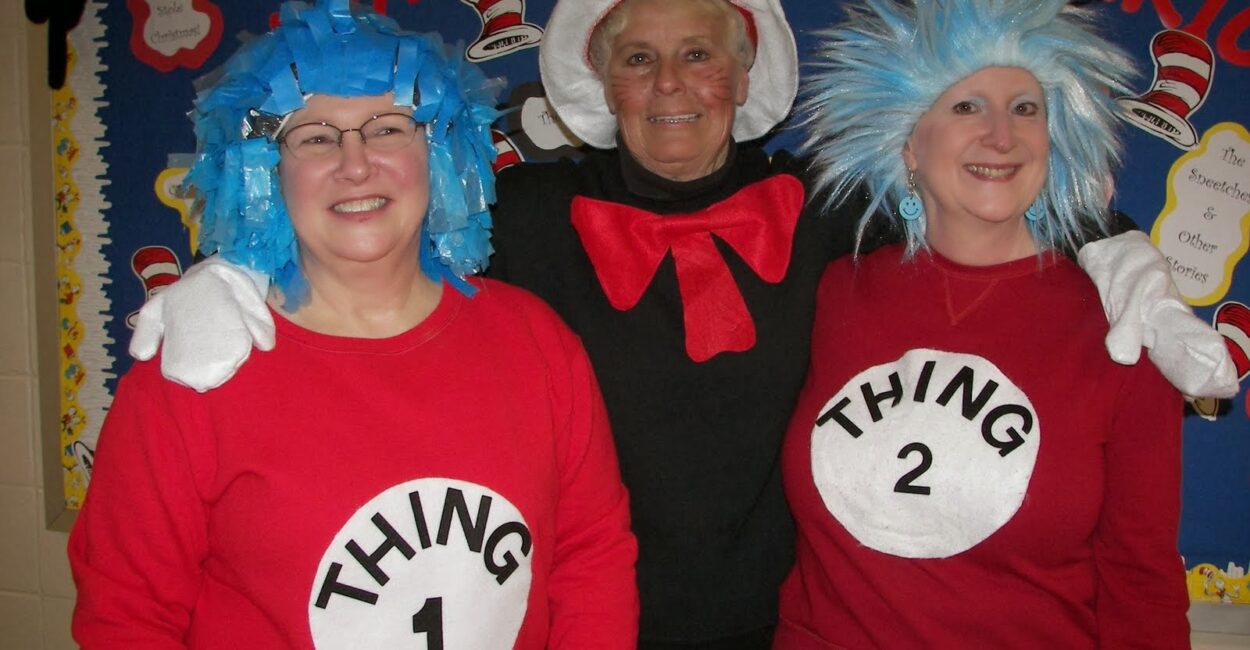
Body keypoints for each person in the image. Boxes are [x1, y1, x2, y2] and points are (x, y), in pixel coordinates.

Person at [125, 0, 1236, 647]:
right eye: (637, 57)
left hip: (788, 630)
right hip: (579, 626)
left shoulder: (824, 207)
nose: (670, 84)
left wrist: (1118, 249)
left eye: (698, 52)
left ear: (743, 74)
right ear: (601, 84)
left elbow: (982, 181)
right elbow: (366, 218)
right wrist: (232, 268)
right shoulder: (525, 214)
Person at [67, 2, 638, 647]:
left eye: (388, 128)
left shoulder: (534, 340)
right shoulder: (193, 373)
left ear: (438, 153)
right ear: (267, 173)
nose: (356, 163)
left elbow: (591, 559)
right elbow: (126, 616)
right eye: (315, 137)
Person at [774, 0, 1196, 647]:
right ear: (909, 145)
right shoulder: (829, 290)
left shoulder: (1123, 324)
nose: (1002, 136)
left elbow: (1141, 581)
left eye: (1026, 108)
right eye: (967, 105)